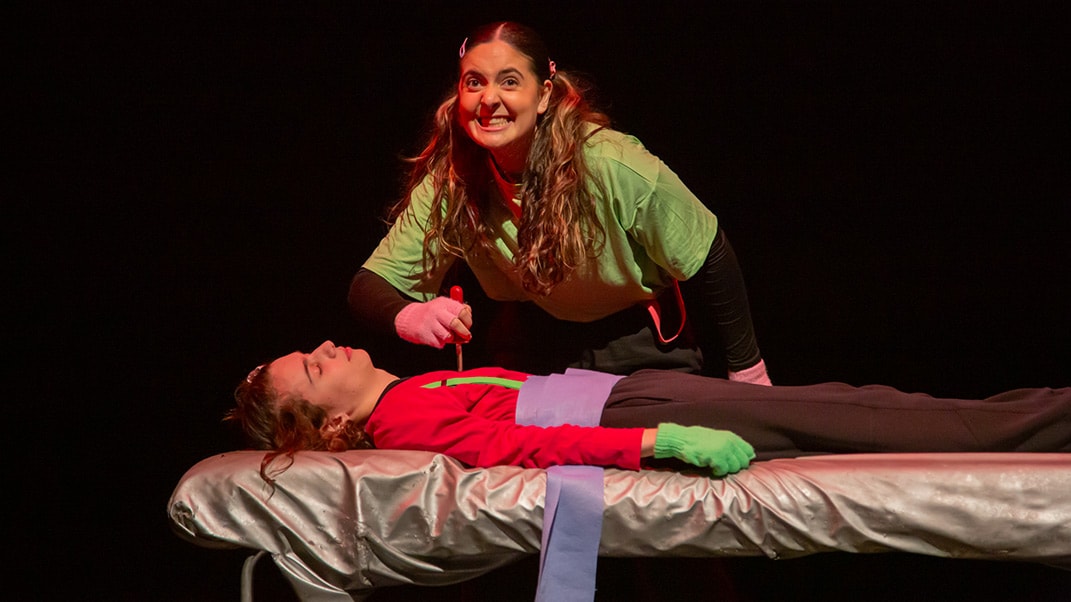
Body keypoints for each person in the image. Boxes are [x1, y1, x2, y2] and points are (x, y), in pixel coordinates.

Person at [348, 21, 770, 382]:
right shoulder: (455, 180)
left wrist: (749, 372)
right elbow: (369, 286)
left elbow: (710, 252)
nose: (489, 99)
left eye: (509, 81)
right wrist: (412, 317)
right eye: (474, 82)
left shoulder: (608, 161)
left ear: (544, 95)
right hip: (539, 350)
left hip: (640, 349)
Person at [228, 340, 1070, 483]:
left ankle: (1044, 416)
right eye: (314, 367)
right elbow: (518, 449)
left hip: (627, 393)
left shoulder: (408, 394)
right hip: (628, 409)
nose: (328, 347)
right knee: (868, 419)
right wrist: (658, 438)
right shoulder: (401, 421)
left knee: (859, 410)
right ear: (326, 426)